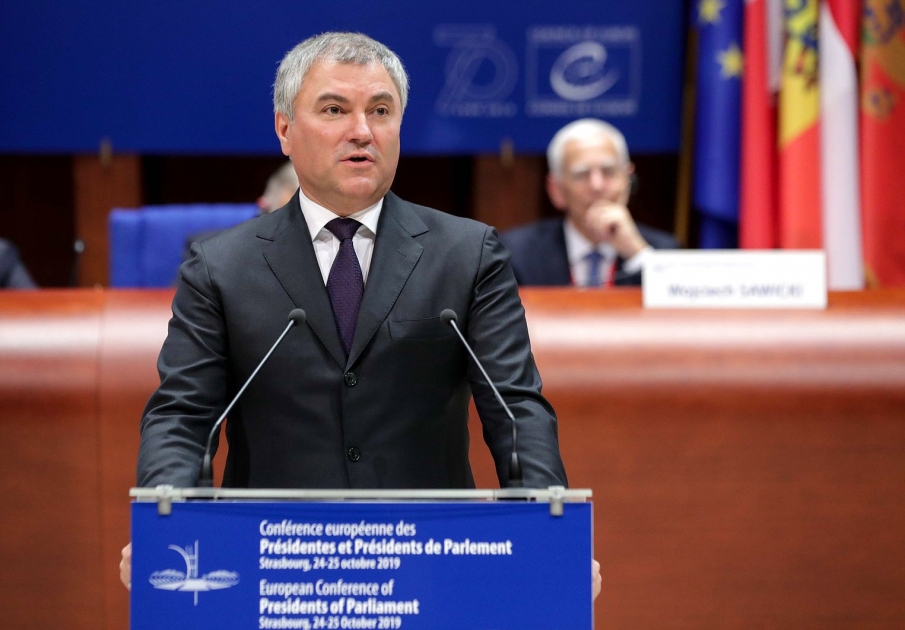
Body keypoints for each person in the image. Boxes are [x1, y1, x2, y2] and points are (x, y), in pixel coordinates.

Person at [122, 31, 599, 597]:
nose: (362, 131)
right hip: (273, 566)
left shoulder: (468, 254)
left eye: (380, 111)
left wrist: (550, 534)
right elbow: (182, 417)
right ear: (284, 129)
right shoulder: (219, 266)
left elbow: (516, 410)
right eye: (334, 110)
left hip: (431, 562)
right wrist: (163, 527)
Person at [500, 118, 677, 287]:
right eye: (582, 174)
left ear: (627, 180)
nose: (597, 186)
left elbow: (678, 302)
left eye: (608, 171)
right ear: (557, 190)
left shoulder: (663, 252)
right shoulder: (515, 254)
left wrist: (637, 253)